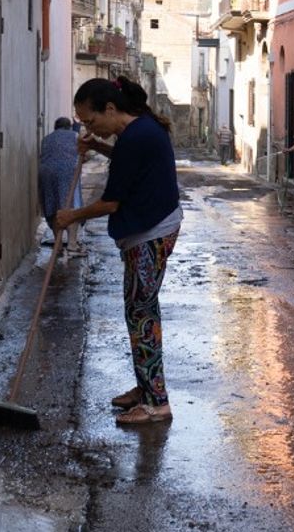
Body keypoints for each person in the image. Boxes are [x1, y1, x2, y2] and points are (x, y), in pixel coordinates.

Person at [56, 76, 182, 425]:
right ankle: (146, 387)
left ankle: (157, 403)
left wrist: (71, 216)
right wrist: (97, 146)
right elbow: (128, 161)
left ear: (110, 109)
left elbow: (111, 203)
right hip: (150, 229)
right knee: (139, 311)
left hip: (151, 233)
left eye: (92, 121)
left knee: (141, 315)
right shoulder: (137, 132)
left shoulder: (137, 136)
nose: (89, 126)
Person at [38, 116, 85, 257]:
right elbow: (83, 154)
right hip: (68, 173)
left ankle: (58, 246)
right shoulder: (75, 136)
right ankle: (71, 245)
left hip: (46, 173)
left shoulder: (46, 139)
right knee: (72, 207)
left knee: (53, 206)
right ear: (69, 127)